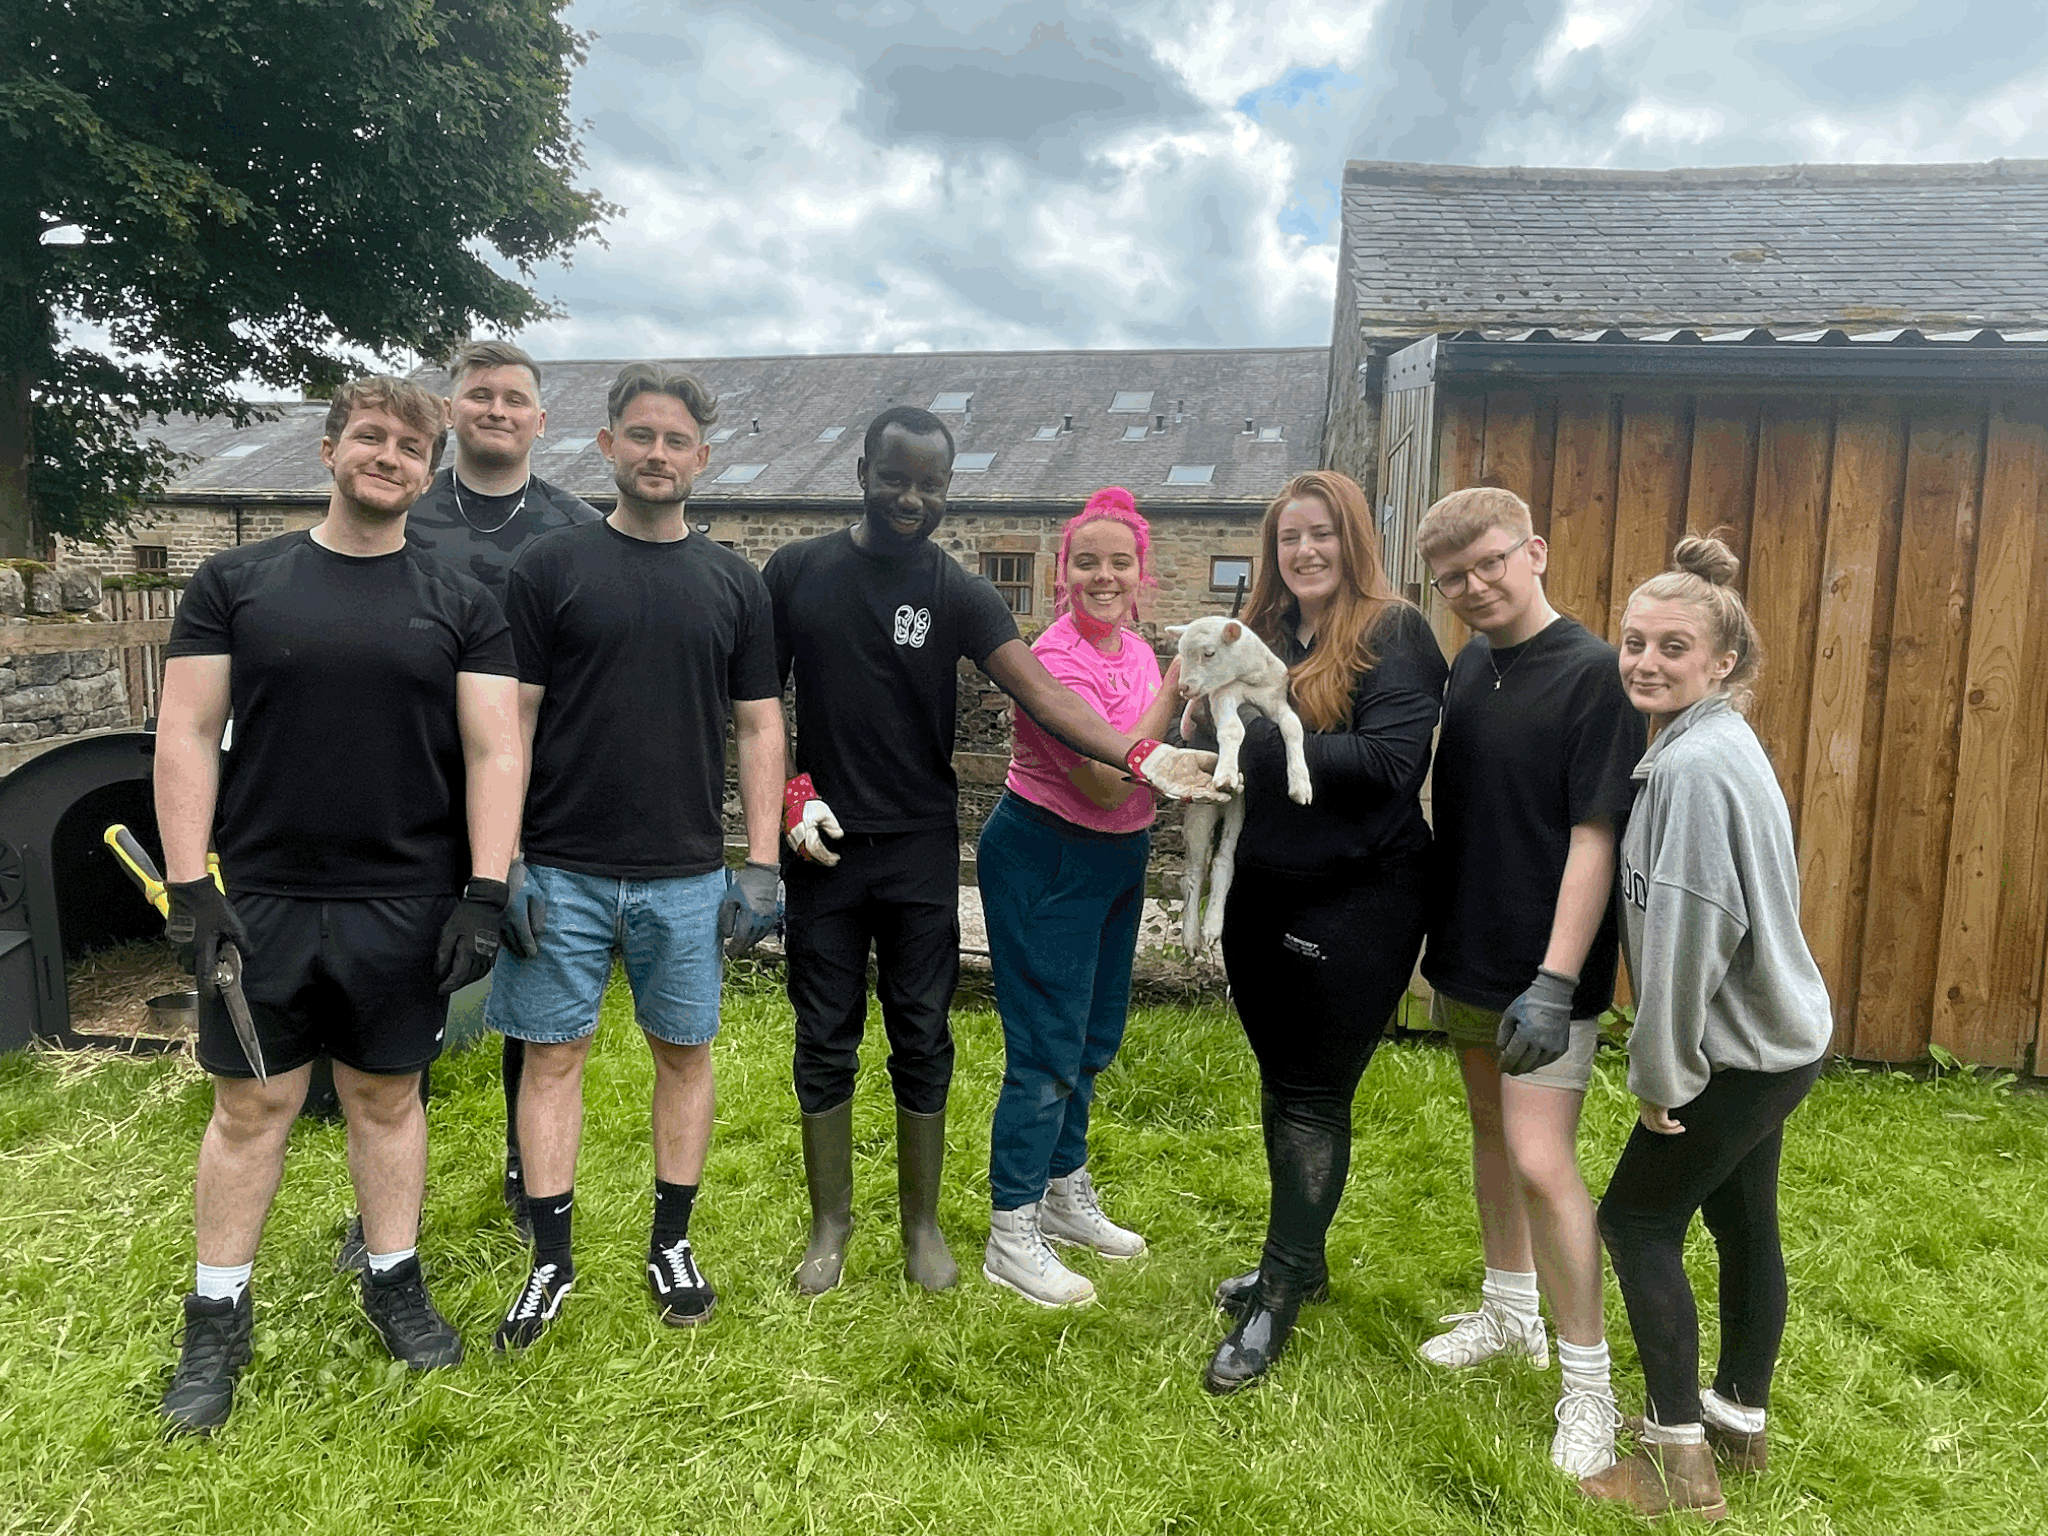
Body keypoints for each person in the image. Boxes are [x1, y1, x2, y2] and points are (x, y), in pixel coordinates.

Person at [765, 407, 1218, 1297]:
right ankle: (831, 1225)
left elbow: (1045, 695)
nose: (911, 497)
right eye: (895, 477)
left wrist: (1138, 753)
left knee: (923, 1032)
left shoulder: (958, 590)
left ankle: (924, 1227)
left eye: (931, 484)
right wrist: (789, 788)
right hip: (821, 844)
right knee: (824, 1032)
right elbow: (755, 704)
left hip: (920, 846)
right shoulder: (797, 571)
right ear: (863, 470)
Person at [153, 376, 522, 1434]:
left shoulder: (462, 599)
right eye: (372, 436)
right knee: (250, 1108)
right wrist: (191, 887)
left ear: (429, 467)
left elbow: (498, 747)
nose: (391, 456)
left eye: (413, 445)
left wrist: (485, 893)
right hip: (263, 896)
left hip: (405, 899)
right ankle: (216, 1315)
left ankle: (393, 1280)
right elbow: (185, 733)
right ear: (329, 451)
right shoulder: (238, 581)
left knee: (385, 1100)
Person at [486, 364, 784, 1347]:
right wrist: (506, 858)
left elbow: (757, 727)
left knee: (684, 1054)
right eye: (640, 435)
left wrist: (763, 859)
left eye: (676, 441)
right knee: (551, 1056)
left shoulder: (734, 584)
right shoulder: (547, 568)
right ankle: (550, 1260)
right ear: (607, 444)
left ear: (702, 458)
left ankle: (670, 1242)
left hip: (687, 871)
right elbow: (509, 724)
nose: (657, 454)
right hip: (562, 864)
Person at [1579, 534, 1833, 1520]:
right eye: (1632, 641)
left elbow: (1687, 939)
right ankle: (1738, 1420)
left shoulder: (1688, 773)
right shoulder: (1713, 740)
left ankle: (1674, 1463)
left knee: (1635, 1219)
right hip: (1782, 1043)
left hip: (1733, 1056)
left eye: (1670, 647)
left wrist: (1660, 1074)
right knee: (1740, 1220)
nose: (1643, 661)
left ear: (1720, 661)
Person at [1195, 469, 1448, 1393]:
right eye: (1289, 537)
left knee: (1311, 1094)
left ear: (1353, 540)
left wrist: (1251, 743)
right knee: (1283, 1084)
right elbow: (1211, 723)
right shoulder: (1260, 635)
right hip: (1264, 891)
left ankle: (1281, 1293)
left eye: (1322, 534)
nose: (1304, 551)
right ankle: (1297, 1256)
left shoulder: (1394, 632)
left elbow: (1388, 763)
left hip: (1360, 898)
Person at [1413, 487, 1645, 1476]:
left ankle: (1587, 1388)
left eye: (1488, 565)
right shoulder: (1470, 663)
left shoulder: (1594, 677)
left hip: (1542, 974)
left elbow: (1595, 836)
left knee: (1544, 1161)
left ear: (1535, 552)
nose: (1472, 588)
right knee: (1486, 1133)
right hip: (1465, 948)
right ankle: (1509, 1315)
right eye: (1451, 579)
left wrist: (1553, 980)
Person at [404, 339, 600, 1244]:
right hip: (406, 781)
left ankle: (530, 1182)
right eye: (479, 395)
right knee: (400, 994)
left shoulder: (574, 530)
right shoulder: (405, 510)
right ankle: (389, 1182)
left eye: (515, 398)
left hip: (535, 796)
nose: (497, 410)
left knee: (531, 997)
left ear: (540, 421)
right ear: (451, 411)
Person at [978, 487, 1184, 1307]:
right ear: (1061, 573)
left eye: (1119, 562)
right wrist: (1181, 689)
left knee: (1093, 1037)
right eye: (1086, 562)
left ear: (1142, 573)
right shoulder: (1053, 660)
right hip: (1048, 854)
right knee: (1045, 1051)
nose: (1104, 576)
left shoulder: (1135, 651)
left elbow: (1160, 765)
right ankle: (1010, 1231)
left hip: (1117, 858)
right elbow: (1105, 780)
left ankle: (1062, 1192)